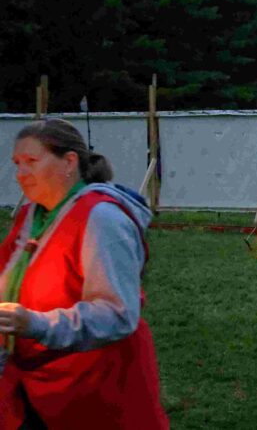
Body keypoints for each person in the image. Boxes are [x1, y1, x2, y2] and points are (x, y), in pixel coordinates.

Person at [0, 119, 169, 428]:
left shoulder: (102, 218)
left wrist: (35, 323)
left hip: (98, 384)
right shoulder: (30, 215)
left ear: (69, 162)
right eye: (17, 163)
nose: (21, 174)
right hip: (32, 380)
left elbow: (117, 314)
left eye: (32, 162)